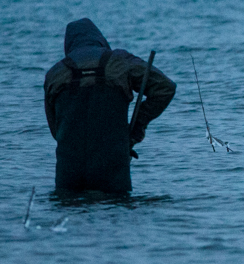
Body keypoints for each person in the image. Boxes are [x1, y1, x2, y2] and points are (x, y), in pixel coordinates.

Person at [43, 18, 176, 195]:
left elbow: (56, 131)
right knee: (116, 214)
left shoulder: (55, 73)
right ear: (100, 40)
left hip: (69, 172)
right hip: (112, 169)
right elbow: (165, 88)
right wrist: (136, 130)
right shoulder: (119, 61)